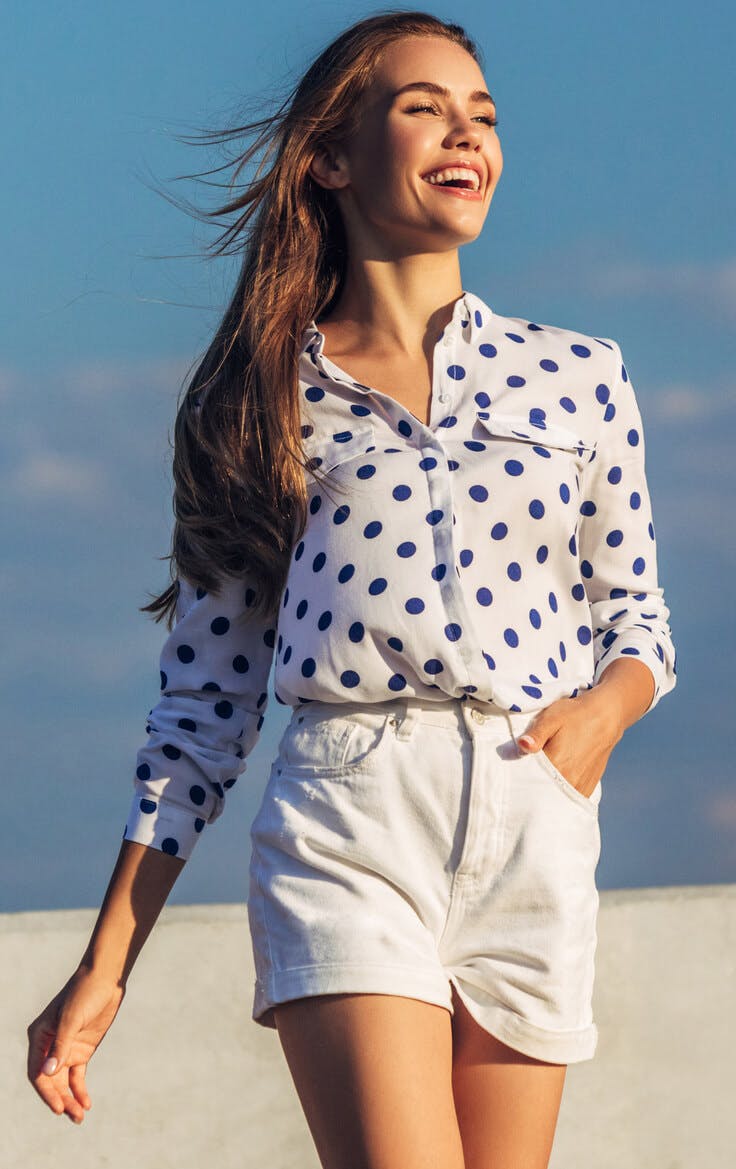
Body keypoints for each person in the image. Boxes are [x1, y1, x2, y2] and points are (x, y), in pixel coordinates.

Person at [27, 10, 677, 1168]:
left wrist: (603, 711)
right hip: (351, 816)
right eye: (422, 105)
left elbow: (638, 621)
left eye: (481, 113)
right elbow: (203, 709)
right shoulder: (258, 398)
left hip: (535, 814)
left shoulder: (581, 375)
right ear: (329, 157)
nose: (463, 131)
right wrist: (103, 963)